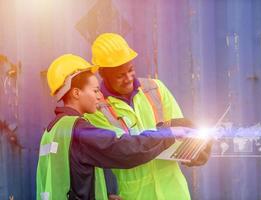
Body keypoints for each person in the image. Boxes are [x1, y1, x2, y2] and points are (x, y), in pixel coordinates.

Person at [36, 54, 194, 200]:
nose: (100, 96)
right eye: (95, 90)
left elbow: (70, 181)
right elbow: (125, 149)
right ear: (76, 93)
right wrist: (168, 133)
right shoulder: (79, 130)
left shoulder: (53, 130)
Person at [85, 33, 211, 200]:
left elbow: (180, 135)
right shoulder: (97, 109)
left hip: (174, 192)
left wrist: (195, 149)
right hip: (134, 195)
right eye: (120, 75)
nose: (129, 78)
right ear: (103, 74)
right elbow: (121, 152)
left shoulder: (156, 88)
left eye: (130, 70)